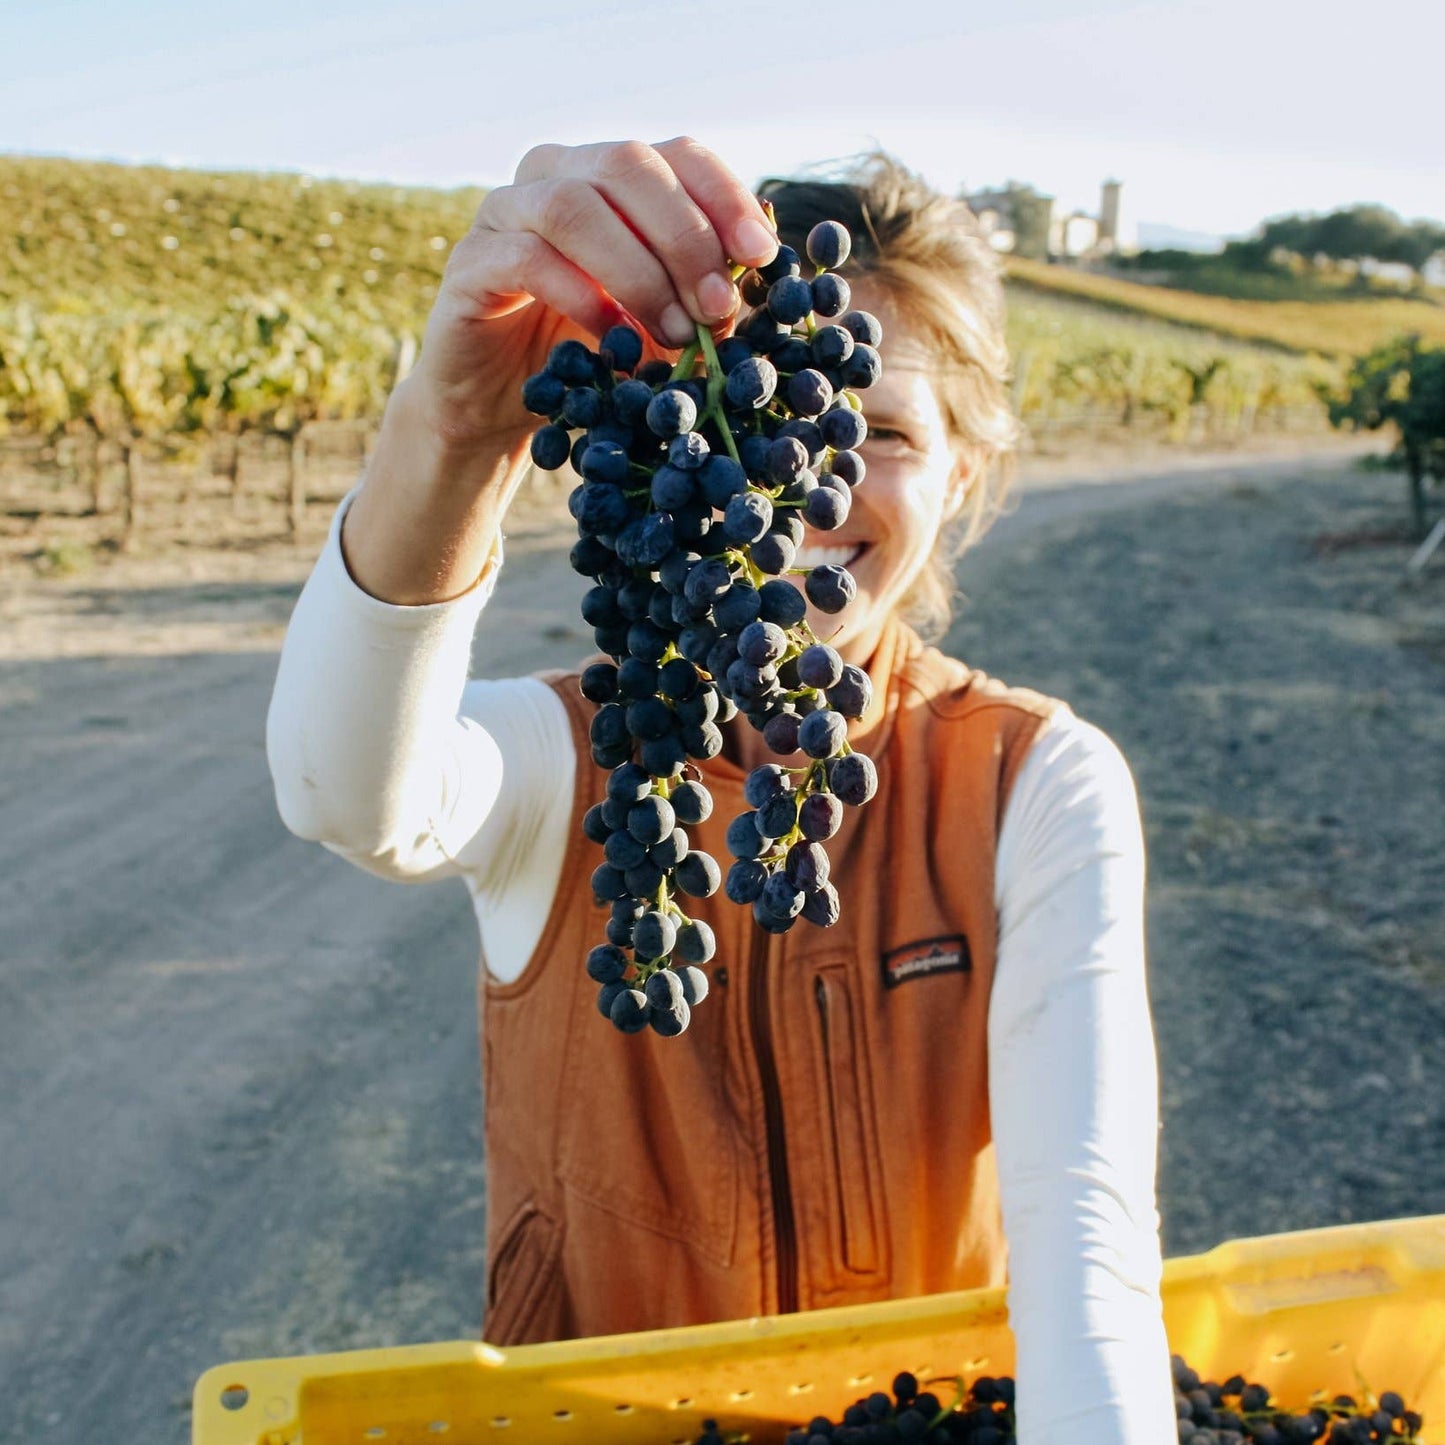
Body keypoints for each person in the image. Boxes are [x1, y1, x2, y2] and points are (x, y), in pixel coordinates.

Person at [266, 138, 1176, 1442]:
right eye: (759, 426)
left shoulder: (1032, 779)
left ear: (964, 472)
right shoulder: (575, 755)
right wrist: (455, 430)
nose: (808, 480)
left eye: (877, 430)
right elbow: (341, 788)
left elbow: (1080, 1234)